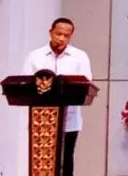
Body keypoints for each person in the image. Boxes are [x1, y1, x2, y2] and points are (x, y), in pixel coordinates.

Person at [23, 18, 92, 176]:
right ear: (50, 32)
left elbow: (86, 84)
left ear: (71, 36)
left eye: (66, 35)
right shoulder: (35, 56)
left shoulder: (80, 56)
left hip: (69, 119)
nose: (61, 38)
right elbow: (25, 83)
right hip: (41, 120)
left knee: (66, 159)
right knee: (40, 160)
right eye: (58, 34)